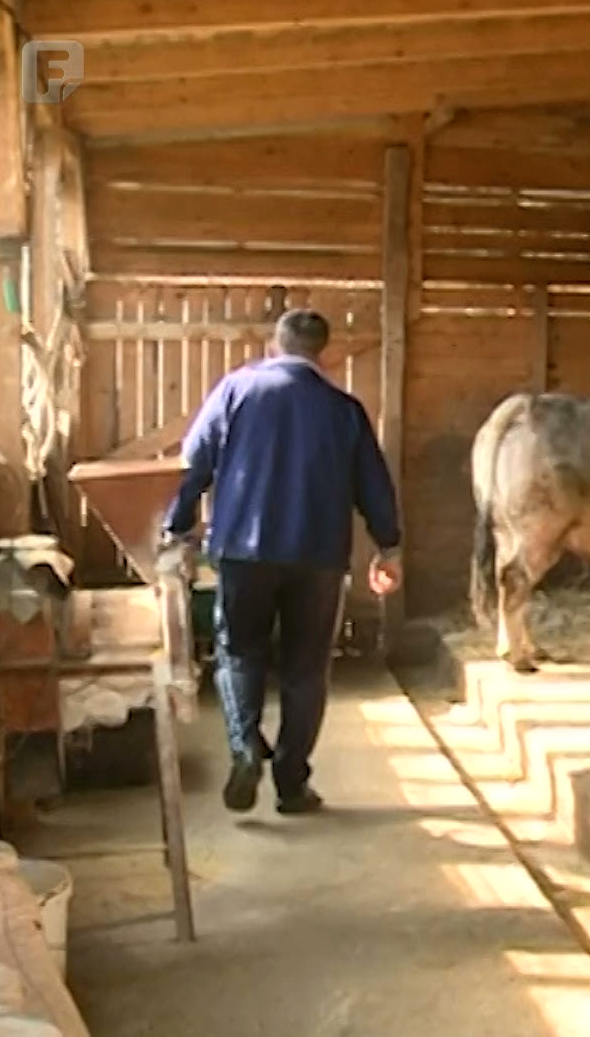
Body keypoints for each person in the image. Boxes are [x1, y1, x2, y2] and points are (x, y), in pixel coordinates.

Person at [160, 307, 403, 816]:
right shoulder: (344, 409)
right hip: (317, 556)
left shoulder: (236, 390)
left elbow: (194, 462)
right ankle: (291, 785)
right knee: (307, 670)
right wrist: (388, 545)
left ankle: (245, 745)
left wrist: (177, 524)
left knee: (239, 651)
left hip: (243, 552)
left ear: (276, 344)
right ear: (322, 352)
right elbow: (373, 485)